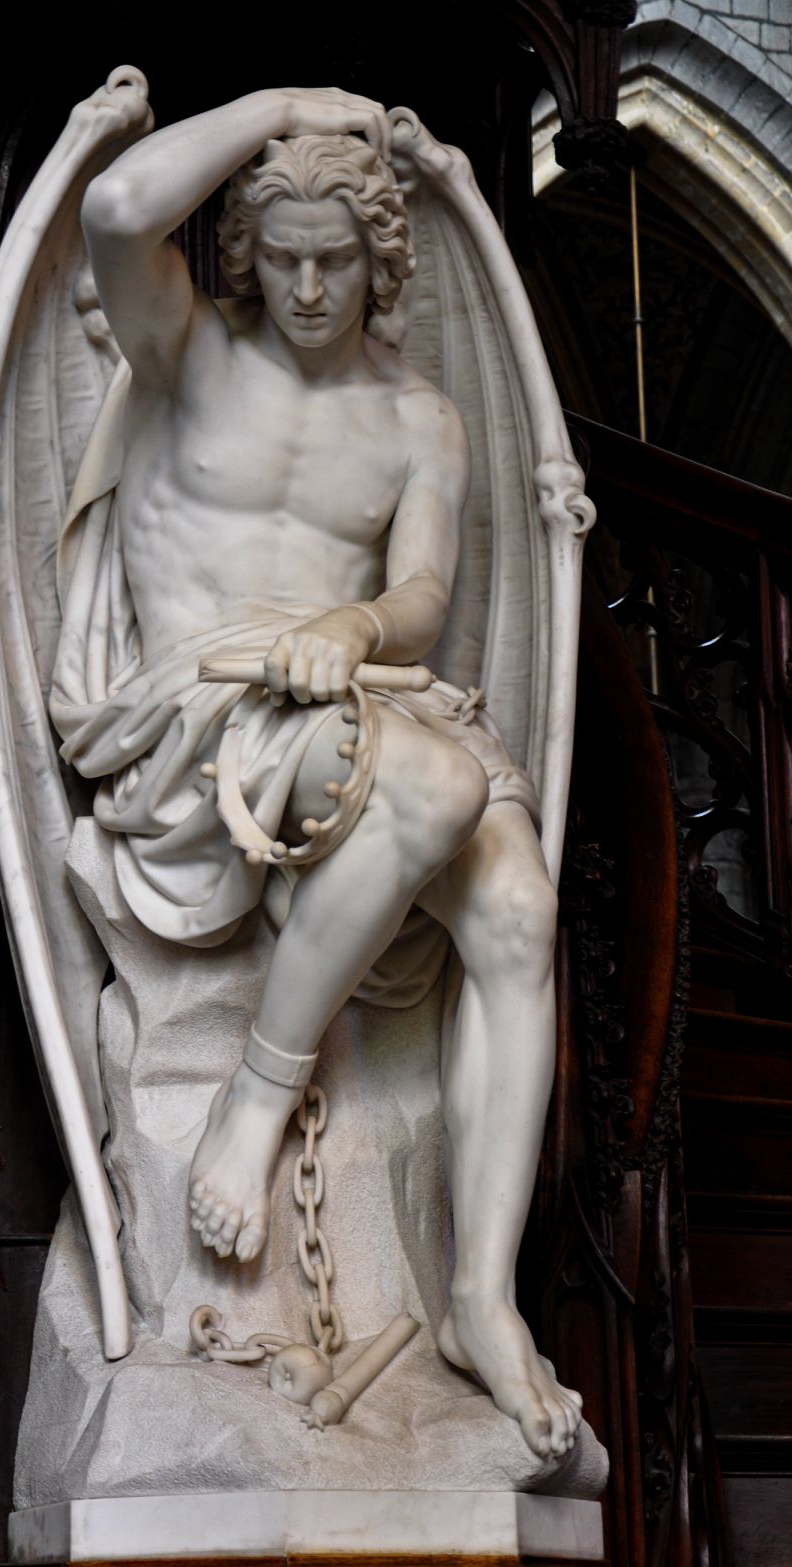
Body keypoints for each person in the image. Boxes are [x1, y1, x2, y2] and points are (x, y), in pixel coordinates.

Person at [57, 87, 582, 1459]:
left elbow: (417, 595)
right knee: (432, 789)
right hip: (202, 719)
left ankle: (477, 1299)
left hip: (350, 689)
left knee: (519, 910)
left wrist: (352, 627)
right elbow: (113, 204)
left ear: (378, 255)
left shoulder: (420, 420)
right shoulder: (188, 353)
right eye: (278, 254)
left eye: (333, 258)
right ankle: (250, 1103)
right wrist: (288, 106)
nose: (303, 285)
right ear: (242, 250)